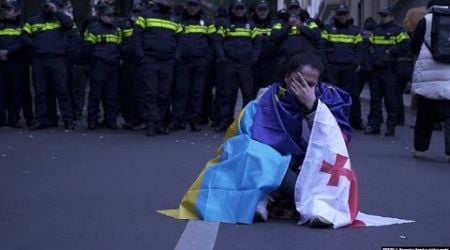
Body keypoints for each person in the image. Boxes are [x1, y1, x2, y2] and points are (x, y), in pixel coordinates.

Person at [160, 52, 352, 225]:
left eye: (310, 84)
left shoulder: (331, 100)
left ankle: (319, 207)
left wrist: (312, 109)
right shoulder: (265, 100)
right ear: (286, 77)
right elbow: (242, 139)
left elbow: (336, 145)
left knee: (311, 182)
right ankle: (258, 198)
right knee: (251, 149)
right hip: (273, 169)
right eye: (297, 81)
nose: (303, 88)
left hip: (311, 171)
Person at [22, 0, 75, 130]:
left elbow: (69, 25)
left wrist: (57, 12)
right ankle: (40, 120)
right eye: (47, 5)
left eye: (52, 5)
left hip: (57, 59)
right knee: (40, 92)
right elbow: (24, 36)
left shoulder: (61, 19)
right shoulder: (33, 20)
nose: (48, 7)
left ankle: (68, 120)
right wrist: (33, 44)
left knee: (62, 91)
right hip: (39, 60)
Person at [134, 0, 182, 136]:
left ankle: (159, 123)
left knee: (163, 94)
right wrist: (141, 56)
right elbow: (136, 37)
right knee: (150, 93)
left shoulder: (174, 18)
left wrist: (175, 57)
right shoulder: (146, 15)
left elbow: (180, 39)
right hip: (150, 60)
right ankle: (151, 124)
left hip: (168, 61)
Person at [410, 0, 450, 160]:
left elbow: (414, 44)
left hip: (428, 71)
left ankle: (420, 148)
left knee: (424, 114)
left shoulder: (426, 20)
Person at [213, 0, 261, 132]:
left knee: (247, 93)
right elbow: (218, 41)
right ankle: (225, 121)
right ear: (233, 9)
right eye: (237, 8)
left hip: (245, 64)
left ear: (244, 9)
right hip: (229, 64)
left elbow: (257, 44)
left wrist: (253, 59)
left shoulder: (251, 25)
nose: (239, 10)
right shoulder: (226, 24)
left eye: (241, 8)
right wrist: (223, 57)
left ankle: (246, 122)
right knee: (227, 93)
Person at [169, 0, 216, 132]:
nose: (192, 8)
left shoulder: (206, 21)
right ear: (186, 6)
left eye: (195, 5)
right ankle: (178, 120)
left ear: (199, 7)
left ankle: (193, 120)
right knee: (180, 92)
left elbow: (213, 41)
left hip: (200, 62)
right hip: (182, 62)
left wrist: (207, 58)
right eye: (190, 5)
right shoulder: (178, 20)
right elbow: (172, 39)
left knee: (197, 92)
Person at [365, 7, 410, 136]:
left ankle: (391, 127)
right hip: (376, 70)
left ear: (391, 17)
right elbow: (370, 46)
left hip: (390, 70)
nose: (382, 18)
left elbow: (406, 44)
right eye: (381, 15)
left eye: (385, 15)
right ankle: (375, 126)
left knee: (390, 100)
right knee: (375, 100)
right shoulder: (377, 31)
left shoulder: (398, 30)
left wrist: (391, 51)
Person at [321, 5, 363, 130]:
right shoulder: (328, 29)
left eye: (344, 14)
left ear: (348, 15)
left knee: (352, 95)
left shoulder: (355, 31)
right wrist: (325, 64)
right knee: (332, 95)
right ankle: (332, 121)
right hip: (332, 67)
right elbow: (321, 47)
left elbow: (360, 49)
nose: (342, 16)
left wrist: (356, 63)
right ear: (336, 15)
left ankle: (355, 121)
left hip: (349, 67)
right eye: (340, 14)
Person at [84, 5, 122, 130]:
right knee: (95, 95)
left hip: (113, 66)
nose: (111, 18)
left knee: (111, 95)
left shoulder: (116, 30)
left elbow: (119, 46)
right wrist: (94, 61)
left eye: (113, 16)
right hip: (98, 65)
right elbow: (88, 48)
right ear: (101, 16)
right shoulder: (93, 29)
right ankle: (92, 122)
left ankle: (111, 121)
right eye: (109, 16)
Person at [0, 1, 25, 128]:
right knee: (1, 92)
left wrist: (8, 52)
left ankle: (14, 119)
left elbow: (22, 42)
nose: (6, 12)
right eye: (6, 9)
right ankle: (1, 120)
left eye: (9, 9)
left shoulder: (22, 26)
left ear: (17, 12)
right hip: (1, 63)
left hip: (16, 62)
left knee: (16, 91)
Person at [252, 0, 277, 95]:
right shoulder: (250, 24)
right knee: (253, 93)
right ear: (255, 10)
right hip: (254, 65)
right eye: (260, 9)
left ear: (268, 10)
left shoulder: (274, 24)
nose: (262, 12)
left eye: (264, 9)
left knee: (269, 93)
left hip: (270, 65)